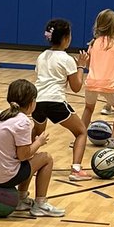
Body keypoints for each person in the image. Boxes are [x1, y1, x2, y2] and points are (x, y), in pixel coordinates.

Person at [0, 78, 65, 217]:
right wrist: (39, 142)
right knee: (46, 158)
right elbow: (24, 155)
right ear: (32, 102)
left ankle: (21, 199)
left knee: (29, 161)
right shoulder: (23, 121)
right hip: (5, 177)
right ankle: (40, 204)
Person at [32, 19, 92, 183]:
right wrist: (81, 66)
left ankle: (27, 163)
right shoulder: (67, 59)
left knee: (37, 133)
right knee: (81, 132)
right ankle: (76, 169)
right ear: (66, 38)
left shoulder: (41, 56)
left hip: (37, 101)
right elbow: (76, 87)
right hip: (55, 102)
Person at [81, 9, 114, 150]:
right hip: (108, 84)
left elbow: (89, 64)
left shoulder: (93, 43)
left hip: (91, 82)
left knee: (88, 109)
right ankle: (113, 141)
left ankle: (80, 138)